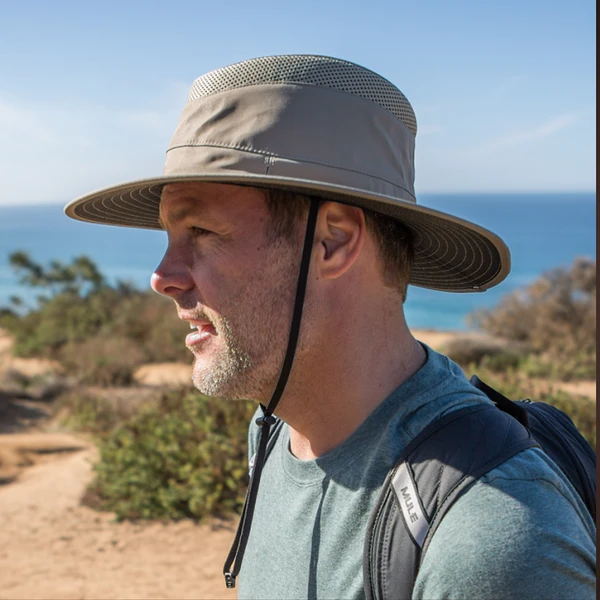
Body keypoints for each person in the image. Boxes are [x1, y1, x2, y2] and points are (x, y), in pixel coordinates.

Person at [65, 55, 596, 599]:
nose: (162, 277)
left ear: (333, 242)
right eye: (170, 237)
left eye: (201, 231)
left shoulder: (489, 540)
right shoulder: (274, 431)